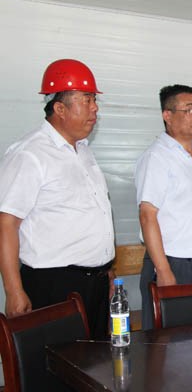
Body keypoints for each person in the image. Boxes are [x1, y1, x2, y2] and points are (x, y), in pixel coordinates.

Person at [0, 59, 114, 339]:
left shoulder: (83, 151)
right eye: (87, 100)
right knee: (58, 362)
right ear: (60, 108)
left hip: (95, 284)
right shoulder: (30, 154)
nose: (95, 108)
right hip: (54, 285)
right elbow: (7, 224)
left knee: (96, 360)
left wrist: (106, 270)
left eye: (94, 100)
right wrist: (14, 291)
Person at [135, 84, 192, 330]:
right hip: (174, 265)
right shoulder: (157, 157)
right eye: (189, 109)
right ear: (167, 115)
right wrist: (163, 270)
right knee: (171, 343)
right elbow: (147, 216)